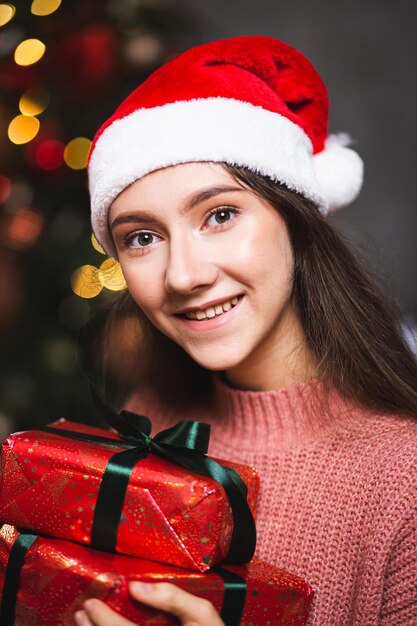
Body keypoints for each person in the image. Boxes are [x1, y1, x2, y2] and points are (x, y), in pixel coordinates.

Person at [75, 36, 417, 626]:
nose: (184, 275)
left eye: (220, 215)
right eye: (142, 237)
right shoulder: (145, 421)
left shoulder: (402, 479)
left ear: (295, 218)